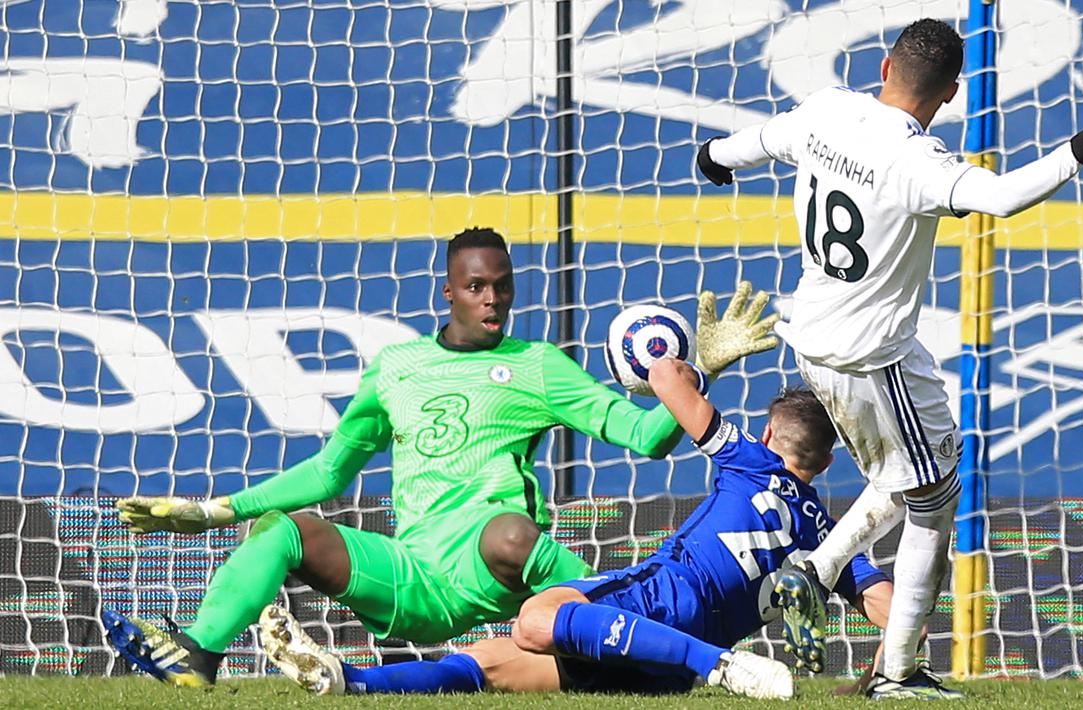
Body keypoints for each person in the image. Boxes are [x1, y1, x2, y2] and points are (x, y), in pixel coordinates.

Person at [695, 18, 1083, 700]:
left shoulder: (824, 111)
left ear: (883, 65)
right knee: (934, 501)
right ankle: (896, 673)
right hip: (872, 355)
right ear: (949, 93)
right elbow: (1001, 197)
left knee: (908, 473)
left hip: (814, 337)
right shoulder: (917, 162)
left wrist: (712, 157)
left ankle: (816, 572)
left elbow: (752, 144)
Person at [101, 227, 776, 688]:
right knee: (283, 532)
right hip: (414, 574)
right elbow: (330, 471)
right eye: (477, 287)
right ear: (449, 291)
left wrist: (697, 373)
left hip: (495, 564)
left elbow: (646, 438)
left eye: (502, 287)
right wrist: (214, 511)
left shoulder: (537, 366)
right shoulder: (397, 367)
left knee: (512, 532)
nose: (492, 300)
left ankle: (626, 634)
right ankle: (197, 656)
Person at [257, 361, 895, 699]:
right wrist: (897, 662)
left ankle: (724, 668)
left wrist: (697, 358)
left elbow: (667, 379)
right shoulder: (829, 534)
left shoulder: (746, 459)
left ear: (767, 437)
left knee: (534, 620)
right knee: (487, 666)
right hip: (658, 664)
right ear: (829, 458)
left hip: (666, 604)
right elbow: (882, 600)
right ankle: (348, 683)